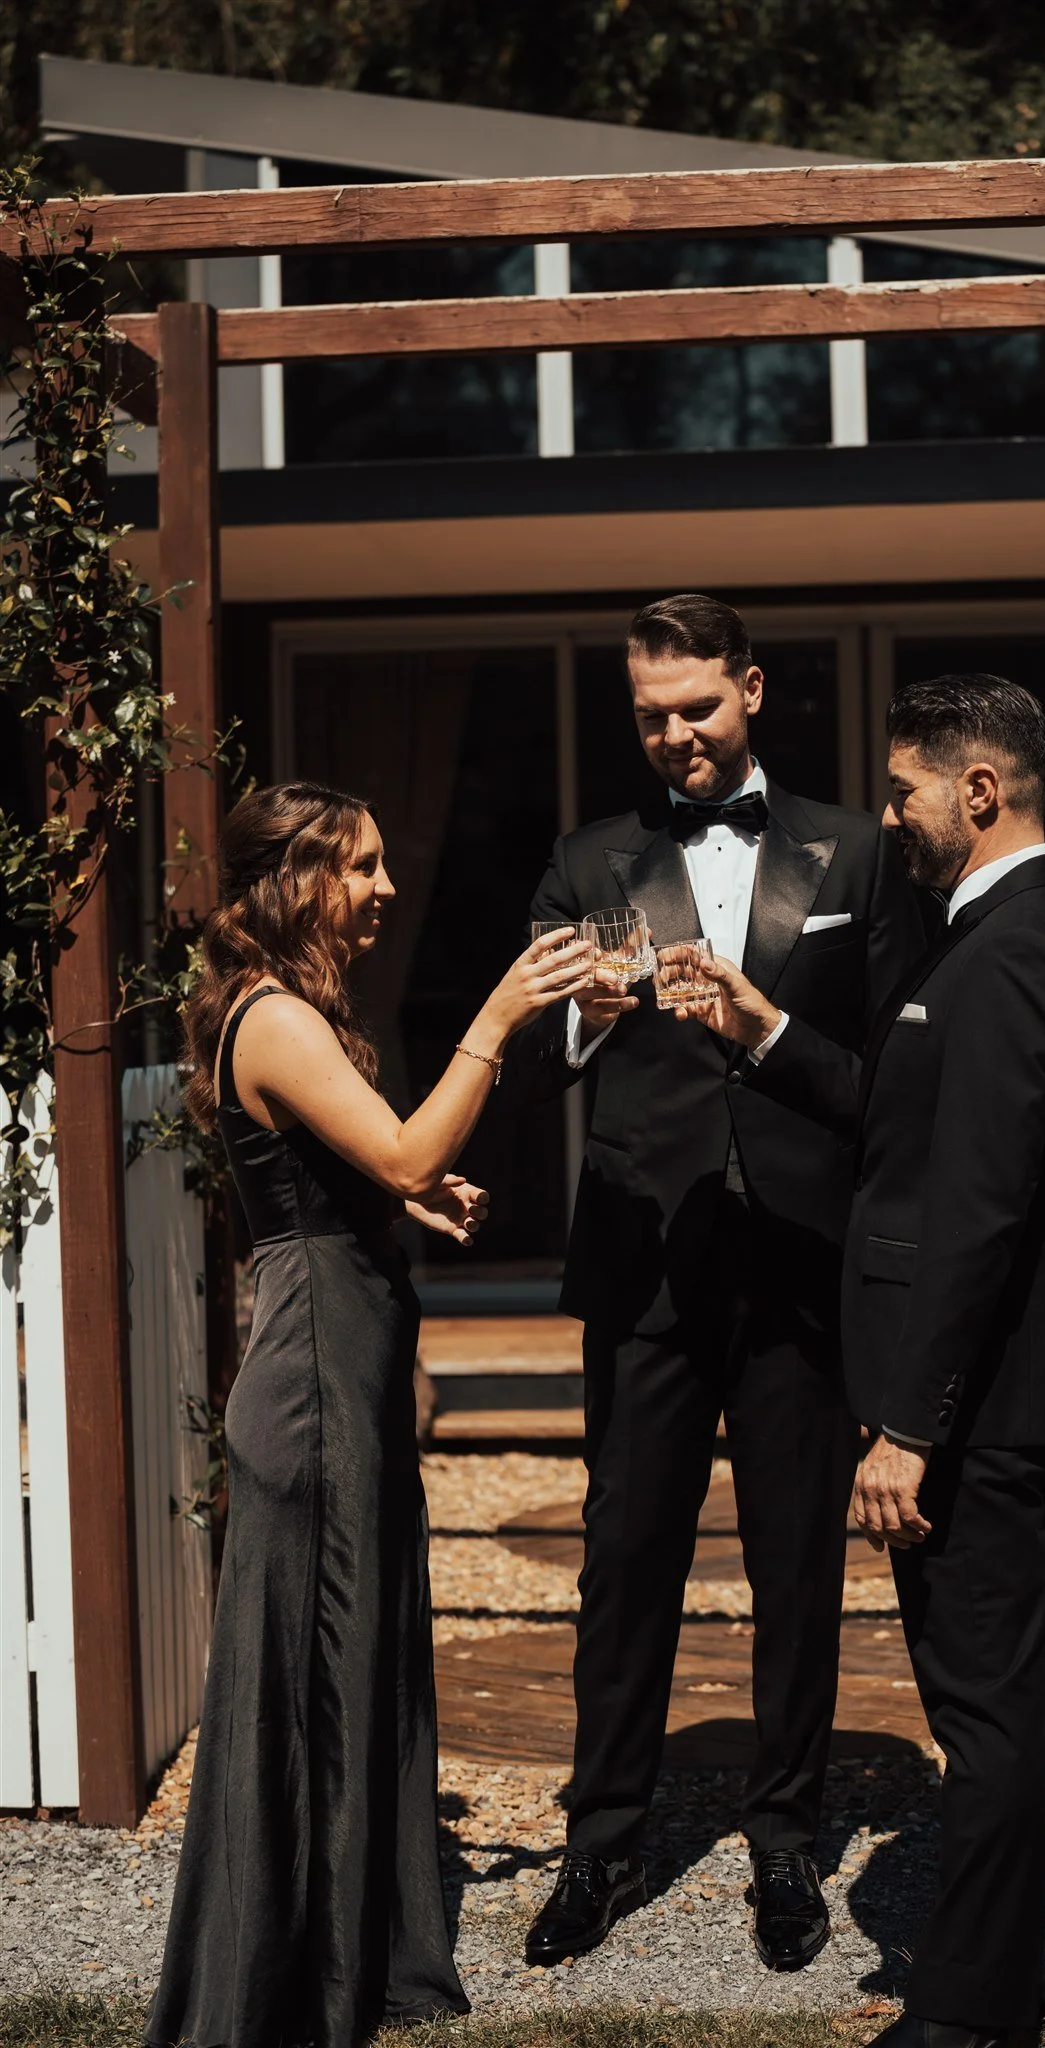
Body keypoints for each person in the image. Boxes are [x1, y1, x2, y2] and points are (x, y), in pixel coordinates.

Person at [677, 675, 1045, 2048]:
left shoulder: (1012, 951)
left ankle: (971, 2011)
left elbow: (977, 1212)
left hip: (970, 1406)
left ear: (979, 790)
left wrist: (907, 1426)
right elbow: (902, 1119)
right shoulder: (1009, 933)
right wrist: (763, 1029)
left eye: (903, 792)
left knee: (987, 1715)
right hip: (1005, 1396)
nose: (886, 816)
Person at [507, 594, 924, 1973]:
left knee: (798, 1562)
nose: (676, 733)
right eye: (651, 715)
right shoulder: (591, 859)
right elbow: (527, 1057)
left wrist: (770, 1025)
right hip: (645, 1270)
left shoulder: (857, 850)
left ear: (749, 688)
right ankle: (601, 1840)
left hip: (801, 1263)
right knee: (626, 1561)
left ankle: (787, 1834)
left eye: (696, 706)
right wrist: (583, 1019)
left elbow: (889, 1080)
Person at [148, 782, 592, 2048]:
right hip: (313, 1375)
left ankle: (353, 1948)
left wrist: (409, 1199)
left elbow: (354, 1172)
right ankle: (284, 1980)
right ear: (292, 878)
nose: (387, 886)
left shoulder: (297, 1010)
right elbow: (397, 1148)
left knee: (353, 1653)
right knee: (313, 1663)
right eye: (362, 865)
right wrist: (497, 1018)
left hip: (347, 1354)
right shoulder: (275, 1015)